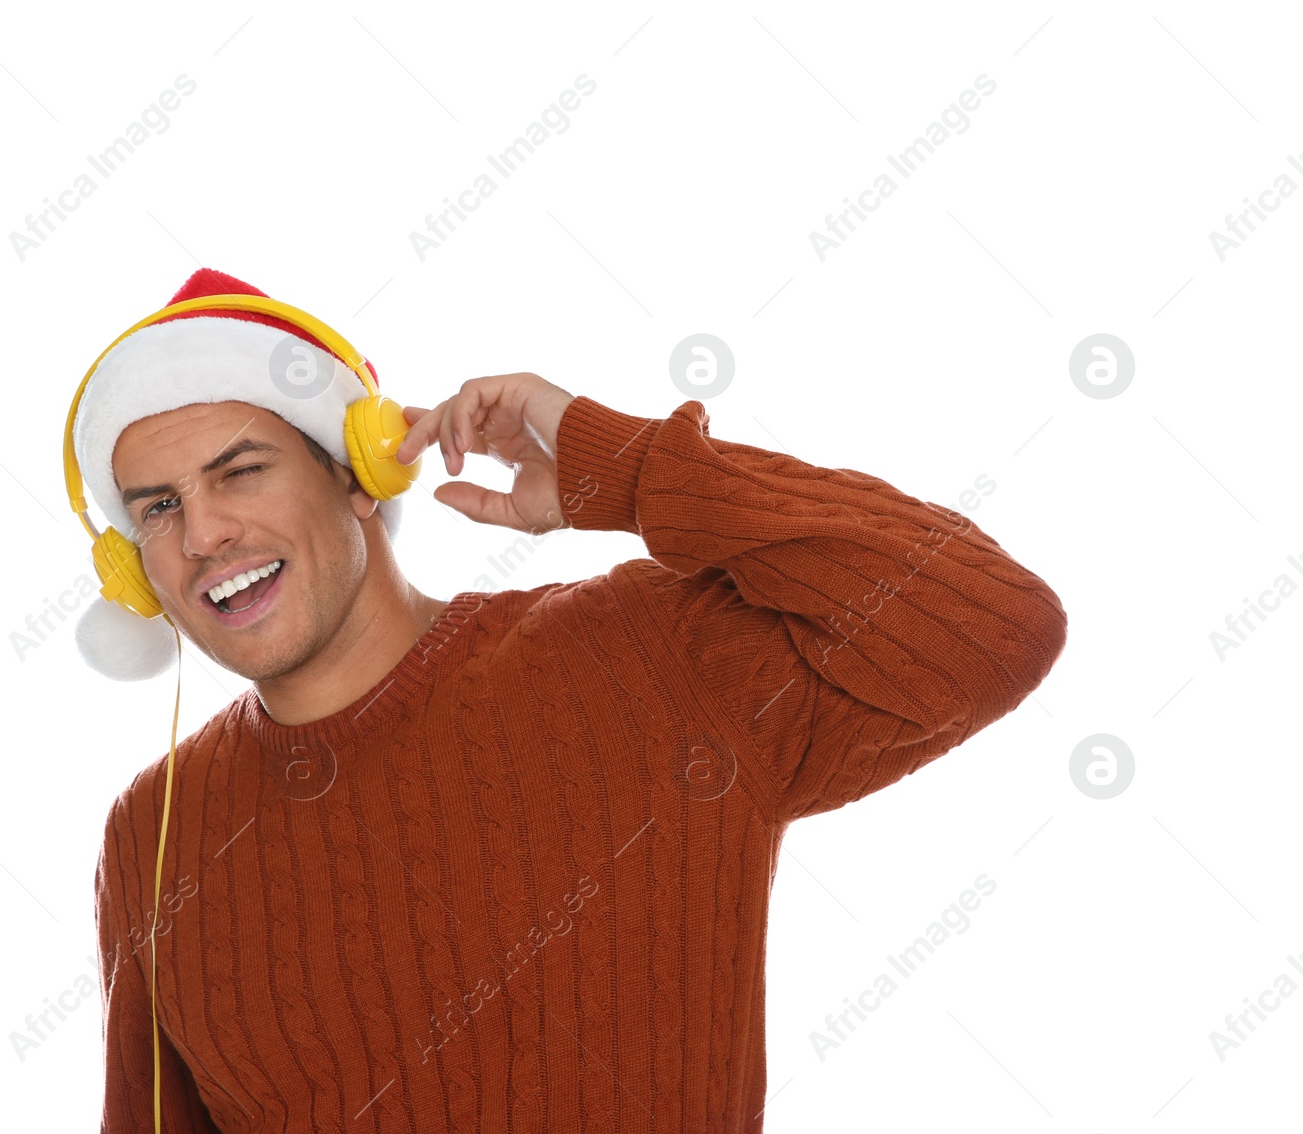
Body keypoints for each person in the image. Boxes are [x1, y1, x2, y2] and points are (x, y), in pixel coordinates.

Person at [81, 267, 1067, 1132]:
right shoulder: (154, 831)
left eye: (240, 472)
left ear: (360, 480)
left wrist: (631, 471)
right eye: (157, 509)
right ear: (133, 568)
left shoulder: (642, 661)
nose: (202, 532)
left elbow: (987, 624)